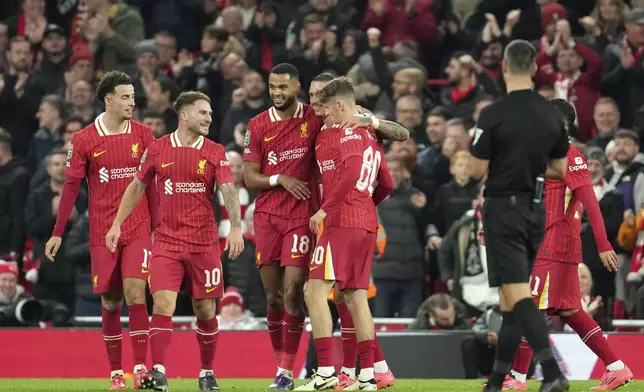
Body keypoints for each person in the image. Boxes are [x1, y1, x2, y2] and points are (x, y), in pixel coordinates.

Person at [105, 91, 244, 391]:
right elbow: (136, 186)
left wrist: (235, 226)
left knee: (205, 310)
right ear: (184, 116)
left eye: (210, 113)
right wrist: (117, 223)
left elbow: (229, 190)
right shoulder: (157, 149)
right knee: (163, 305)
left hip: (204, 243)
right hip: (166, 242)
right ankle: (159, 372)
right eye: (203, 113)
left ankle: (206, 372)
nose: (209, 118)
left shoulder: (215, 150)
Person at [502, 100, 632, 392]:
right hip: (547, 244)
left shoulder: (570, 155)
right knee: (570, 311)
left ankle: (519, 379)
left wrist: (602, 243)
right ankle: (617, 367)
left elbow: (589, 200)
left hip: (556, 246)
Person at [43, 71, 158, 390]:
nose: (131, 103)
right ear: (108, 100)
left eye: (133, 97)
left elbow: (153, 186)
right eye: (125, 97)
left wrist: (158, 227)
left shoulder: (145, 135)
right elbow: (70, 187)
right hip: (102, 231)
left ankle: (141, 370)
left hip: (138, 227)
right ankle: (115, 372)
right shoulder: (83, 139)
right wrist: (57, 231)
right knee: (111, 301)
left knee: (136, 290)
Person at [469, 40, 571, 392]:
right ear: (532, 69)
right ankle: (495, 382)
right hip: (536, 208)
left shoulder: (493, 113)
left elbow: (476, 168)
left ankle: (552, 372)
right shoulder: (552, 115)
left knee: (517, 292)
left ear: (505, 68)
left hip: (503, 207)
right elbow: (559, 168)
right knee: (510, 301)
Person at [296, 77, 394, 391]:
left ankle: (325, 371)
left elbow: (352, 172)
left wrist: (326, 209)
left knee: (314, 292)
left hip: (342, 221)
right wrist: (367, 205)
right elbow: (387, 184)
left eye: (322, 106)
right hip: (365, 220)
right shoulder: (371, 134)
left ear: (338, 104)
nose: (319, 113)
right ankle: (367, 375)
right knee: (353, 297)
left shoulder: (349, 131)